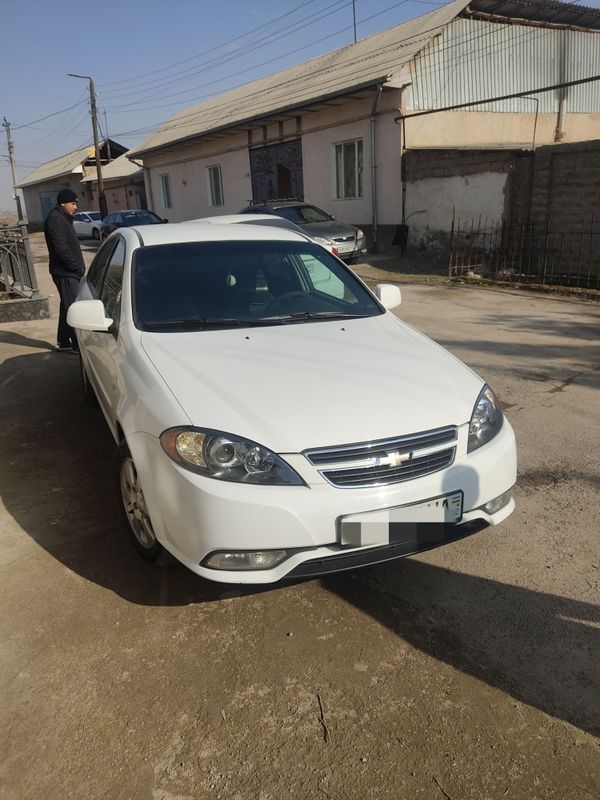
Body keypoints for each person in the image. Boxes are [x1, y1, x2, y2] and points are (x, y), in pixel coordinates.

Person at [44, 188, 86, 352]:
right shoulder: (56, 220)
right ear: (63, 204)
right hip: (65, 272)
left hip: (68, 271)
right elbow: (61, 250)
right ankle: (77, 345)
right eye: (73, 204)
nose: (75, 207)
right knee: (72, 308)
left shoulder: (62, 218)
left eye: (76, 204)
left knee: (66, 306)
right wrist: (76, 269)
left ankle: (63, 341)